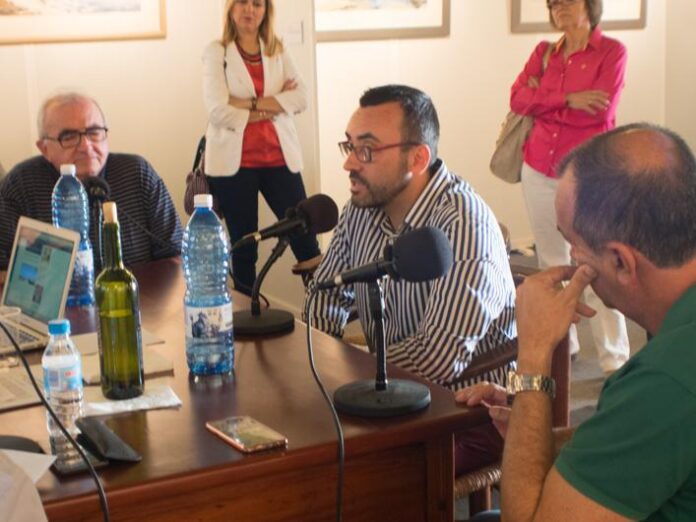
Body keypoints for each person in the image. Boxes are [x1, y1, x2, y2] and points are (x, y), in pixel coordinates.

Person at [457, 123, 696, 521]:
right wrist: (532, 430)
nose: (569, 258)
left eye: (575, 244)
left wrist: (533, 357)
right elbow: (640, 439)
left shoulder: (665, 379)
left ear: (620, 262)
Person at [306, 84, 516, 476]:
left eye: (367, 150)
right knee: (302, 446)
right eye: (349, 145)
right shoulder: (362, 207)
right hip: (385, 398)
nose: (349, 163)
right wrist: (318, 365)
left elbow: (437, 357)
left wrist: (343, 379)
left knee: (346, 476)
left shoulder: (462, 223)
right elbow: (324, 295)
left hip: (471, 410)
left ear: (418, 158)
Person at [511, 0, 629, 374]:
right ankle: (567, 344)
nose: (558, 7)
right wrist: (568, 99)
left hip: (586, 174)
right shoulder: (545, 52)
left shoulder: (612, 52)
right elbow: (517, 98)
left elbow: (602, 111)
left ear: (589, 5)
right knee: (551, 261)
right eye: (553, 3)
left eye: (566, 1)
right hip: (538, 168)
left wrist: (543, 102)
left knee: (598, 262)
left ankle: (614, 358)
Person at [202, 0, 320, 295]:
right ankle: (246, 313)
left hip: (279, 159)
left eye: (257, 4)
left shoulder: (277, 49)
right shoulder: (217, 52)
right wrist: (274, 105)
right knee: (244, 247)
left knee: (305, 238)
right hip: (234, 165)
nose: (249, 10)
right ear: (230, 8)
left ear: (266, 10)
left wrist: (246, 104)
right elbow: (217, 110)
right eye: (242, 2)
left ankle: (323, 308)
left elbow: (302, 98)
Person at [0, 92, 182, 271]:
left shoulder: (138, 173)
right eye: (69, 137)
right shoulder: (20, 185)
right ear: (44, 148)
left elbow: (175, 254)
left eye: (94, 132)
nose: (86, 146)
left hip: (139, 290)